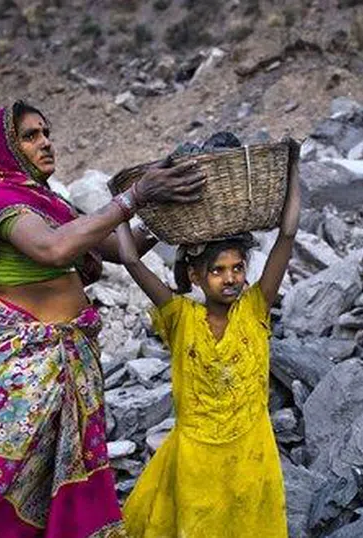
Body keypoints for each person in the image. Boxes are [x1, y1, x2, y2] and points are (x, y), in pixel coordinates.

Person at [0, 100, 205, 538]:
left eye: (46, 133)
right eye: (30, 136)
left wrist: (168, 213)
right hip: (20, 363)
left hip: (68, 360)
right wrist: (133, 197)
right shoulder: (0, 200)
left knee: (63, 474)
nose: (45, 142)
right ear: (4, 149)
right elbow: (54, 250)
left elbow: (113, 248)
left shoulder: (48, 202)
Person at [116, 139, 302, 537]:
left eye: (237, 268)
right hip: (195, 457)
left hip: (251, 453)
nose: (231, 278)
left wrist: (293, 166)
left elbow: (286, 236)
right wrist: (122, 201)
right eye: (218, 270)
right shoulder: (180, 316)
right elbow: (131, 258)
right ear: (197, 276)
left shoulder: (255, 308)